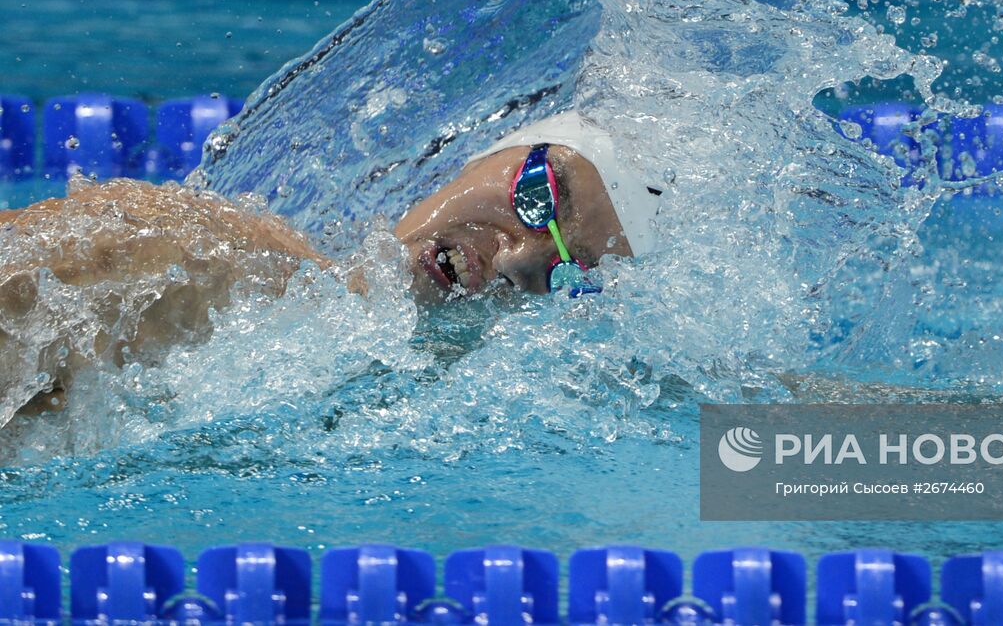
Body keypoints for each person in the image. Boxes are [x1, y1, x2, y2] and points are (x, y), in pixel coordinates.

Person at [0, 110, 664, 424]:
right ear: (484, 157)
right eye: (539, 199)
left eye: (565, 275)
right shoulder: (203, 259)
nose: (518, 259)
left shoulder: (446, 421)